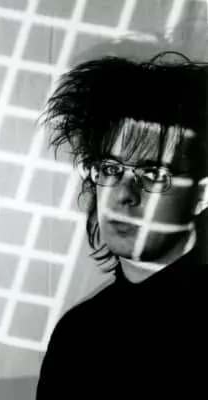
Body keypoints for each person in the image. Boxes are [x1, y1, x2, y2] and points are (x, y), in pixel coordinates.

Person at [36, 53, 208, 399]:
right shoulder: (78, 335)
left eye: (153, 174)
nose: (123, 194)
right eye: (111, 169)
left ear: (202, 194)